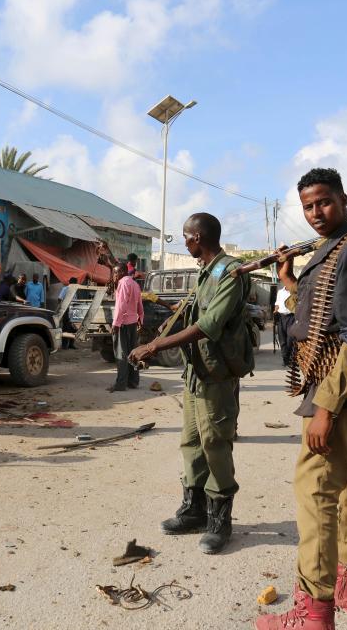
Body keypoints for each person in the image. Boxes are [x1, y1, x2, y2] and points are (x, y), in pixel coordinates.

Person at [256, 168, 347, 629]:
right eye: (308, 206)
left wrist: (325, 409)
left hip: (343, 388)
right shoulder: (335, 249)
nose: (316, 213)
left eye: (324, 203)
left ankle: (312, 612)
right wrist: (290, 280)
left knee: (315, 492)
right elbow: (319, 315)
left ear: (343, 197)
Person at [129, 212, 252, 556]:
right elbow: (191, 315)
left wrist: (154, 347)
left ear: (197, 237)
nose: (184, 242)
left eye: (186, 236)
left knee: (215, 442)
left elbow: (209, 324)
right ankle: (194, 510)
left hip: (217, 372)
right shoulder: (205, 273)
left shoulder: (230, 272)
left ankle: (219, 521)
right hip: (196, 371)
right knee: (192, 442)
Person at [108, 264, 143, 392]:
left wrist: (116, 324)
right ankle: (133, 381)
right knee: (132, 352)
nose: (114, 276)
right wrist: (140, 318)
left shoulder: (123, 283)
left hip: (123, 323)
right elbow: (139, 303)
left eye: (115, 273)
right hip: (133, 322)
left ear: (122, 272)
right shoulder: (135, 284)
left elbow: (121, 305)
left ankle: (121, 384)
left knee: (121, 353)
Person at [274, 285, 295, 367]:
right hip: (281, 317)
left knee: (290, 339)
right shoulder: (280, 292)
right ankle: (285, 360)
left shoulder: (294, 291)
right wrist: (275, 311)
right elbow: (277, 304)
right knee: (282, 340)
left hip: (291, 317)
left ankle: (290, 358)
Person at [59, 277, 78, 349]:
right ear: (71, 283)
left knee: (73, 327)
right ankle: (64, 345)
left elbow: (75, 300)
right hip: (66, 310)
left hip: (73, 310)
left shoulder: (75, 290)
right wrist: (63, 308)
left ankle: (71, 344)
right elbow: (59, 298)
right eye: (75, 283)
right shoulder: (65, 289)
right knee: (66, 327)